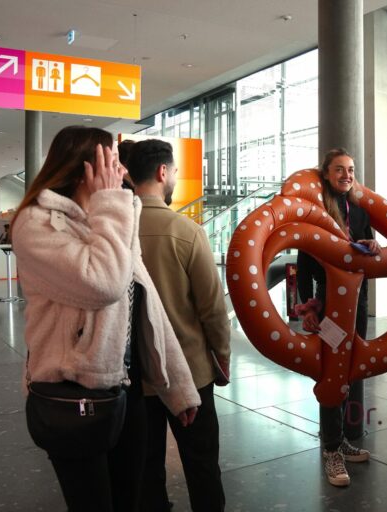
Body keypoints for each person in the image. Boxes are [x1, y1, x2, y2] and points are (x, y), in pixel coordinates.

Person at [11, 126, 201, 512]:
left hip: (126, 388)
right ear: (86, 167)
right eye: (113, 161)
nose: (122, 171)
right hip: (72, 395)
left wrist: (178, 387)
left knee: (129, 500)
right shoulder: (37, 222)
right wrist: (111, 204)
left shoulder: (109, 219)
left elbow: (144, 302)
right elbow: (105, 284)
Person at [127, 139, 231, 512]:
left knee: (145, 469)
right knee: (202, 465)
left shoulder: (114, 232)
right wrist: (221, 355)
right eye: (173, 172)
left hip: (134, 377)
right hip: (190, 372)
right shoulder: (186, 231)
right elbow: (212, 308)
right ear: (162, 172)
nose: (173, 177)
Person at [296, 148, 381, 487]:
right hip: (329, 301)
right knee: (333, 369)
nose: (347, 175)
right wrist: (307, 307)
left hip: (358, 301)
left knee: (351, 365)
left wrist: (372, 247)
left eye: (351, 170)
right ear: (326, 174)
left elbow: (369, 251)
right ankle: (331, 448)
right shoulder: (316, 212)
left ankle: (342, 438)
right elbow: (304, 264)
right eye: (339, 169)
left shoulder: (359, 211)